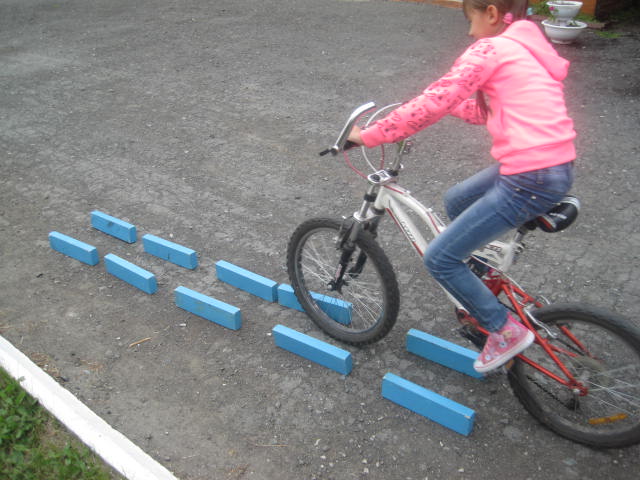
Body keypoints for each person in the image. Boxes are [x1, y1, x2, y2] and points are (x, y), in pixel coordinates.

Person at [347, 0, 576, 373]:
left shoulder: (491, 49)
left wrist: (370, 135)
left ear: (491, 13)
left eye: (471, 20)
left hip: (528, 177)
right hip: (554, 166)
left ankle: (503, 331)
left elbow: (434, 102)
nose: (469, 31)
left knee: (439, 258)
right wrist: (444, 105)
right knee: (457, 200)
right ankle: (481, 273)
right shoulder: (527, 48)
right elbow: (485, 109)